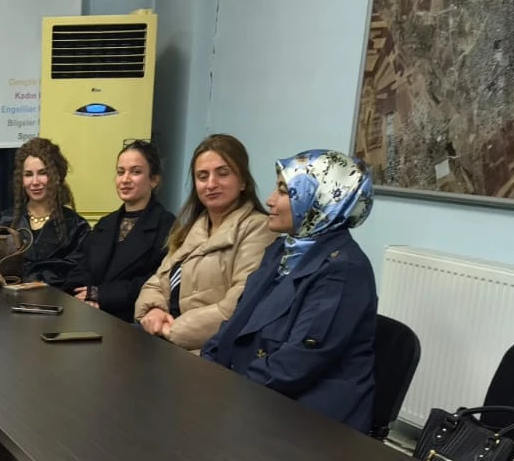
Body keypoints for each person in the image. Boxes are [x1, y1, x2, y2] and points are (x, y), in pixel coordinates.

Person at [202, 150, 377, 432]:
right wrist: (205, 368)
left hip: (310, 422)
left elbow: (294, 366)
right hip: (259, 396)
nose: (270, 200)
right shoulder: (282, 250)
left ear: (321, 200)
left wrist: (225, 392)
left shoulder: (344, 269)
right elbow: (236, 323)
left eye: (284, 191)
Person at [134, 134, 276, 351]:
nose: (211, 184)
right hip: (166, 340)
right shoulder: (191, 228)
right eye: (202, 176)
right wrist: (153, 310)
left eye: (223, 173)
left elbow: (239, 305)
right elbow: (156, 283)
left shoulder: (258, 228)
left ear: (243, 181)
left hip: (208, 352)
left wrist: (171, 330)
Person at [64, 140, 175, 323]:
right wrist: (85, 297)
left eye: (136, 172)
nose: (125, 179)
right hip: (89, 315)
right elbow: (81, 267)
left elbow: (157, 281)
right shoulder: (105, 223)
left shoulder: (168, 226)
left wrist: (101, 295)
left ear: (154, 180)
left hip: (131, 321)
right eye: (120, 172)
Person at [0, 137, 89, 287]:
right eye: (28, 174)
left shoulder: (77, 227)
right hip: (7, 300)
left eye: (42, 173)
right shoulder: (2, 222)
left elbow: (77, 276)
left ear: (57, 176)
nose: (35, 182)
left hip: (57, 299)